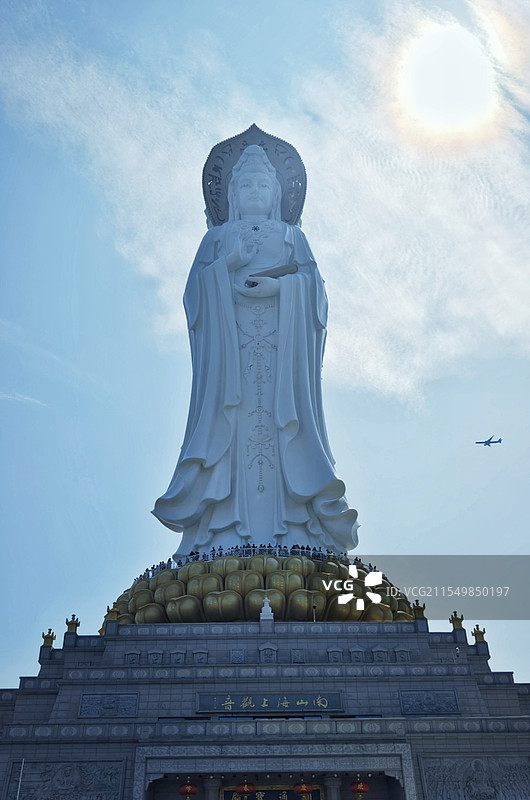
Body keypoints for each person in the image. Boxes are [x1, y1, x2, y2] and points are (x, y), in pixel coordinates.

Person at [153, 145, 358, 557]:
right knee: (233, 429)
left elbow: (316, 294)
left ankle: (297, 533)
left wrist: (283, 288)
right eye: (245, 183)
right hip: (231, 362)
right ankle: (221, 533)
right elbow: (194, 297)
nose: (253, 191)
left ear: (277, 194)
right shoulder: (215, 237)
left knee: (284, 428)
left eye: (263, 184)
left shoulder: (292, 236)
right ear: (230, 194)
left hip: (282, 361)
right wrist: (225, 266)